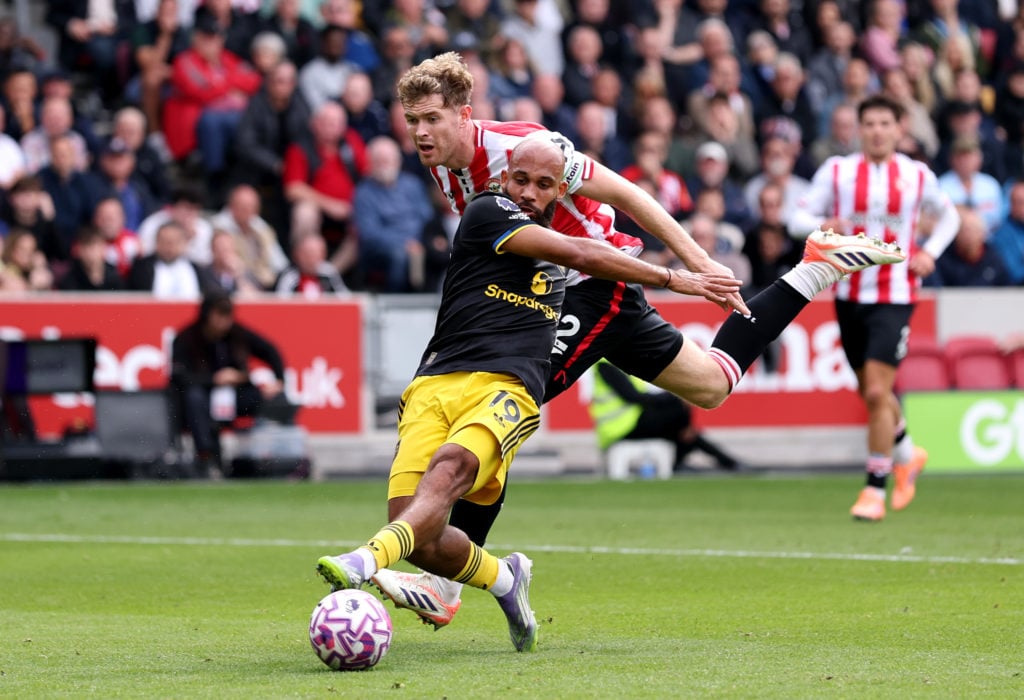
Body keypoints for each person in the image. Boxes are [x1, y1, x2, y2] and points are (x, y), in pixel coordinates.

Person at [359, 53, 905, 629]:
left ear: (464, 115)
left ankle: (445, 581)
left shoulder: (521, 148)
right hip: (565, 293)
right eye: (412, 120)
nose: (420, 132)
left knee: (506, 396)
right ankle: (816, 268)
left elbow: (629, 195)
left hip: (592, 287)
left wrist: (698, 263)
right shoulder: (446, 166)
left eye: (432, 119)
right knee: (712, 384)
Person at [313, 135, 745, 653]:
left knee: (450, 470)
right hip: (435, 382)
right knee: (421, 539)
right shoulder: (488, 210)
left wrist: (682, 268)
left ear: (560, 191)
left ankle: (364, 559)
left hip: (507, 389)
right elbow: (582, 250)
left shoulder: (567, 265)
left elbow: (605, 232)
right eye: (520, 180)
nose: (528, 193)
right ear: (503, 178)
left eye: (543, 185)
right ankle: (503, 578)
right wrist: (675, 277)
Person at [788, 94, 961, 522]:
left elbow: (951, 217)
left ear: (899, 129)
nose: (878, 131)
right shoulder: (838, 172)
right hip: (849, 294)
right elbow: (796, 219)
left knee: (877, 393)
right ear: (859, 129)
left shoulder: (916, 175)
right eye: (870, 124)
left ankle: (874, 489)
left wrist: (931, 252)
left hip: (896, 295)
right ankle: (908, 452)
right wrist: (823, 226)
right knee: (872, 392)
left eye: (886, 123)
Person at [170, 291, 285, 475]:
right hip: (200, 399)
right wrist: (214, 379)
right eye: (219, 316)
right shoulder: (187, 338)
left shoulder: (237, 334)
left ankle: (268, 460)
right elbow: (179, 377)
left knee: (267, 397)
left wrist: (279, 380)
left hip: (235, 395)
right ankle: (206, 458)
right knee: (194, 398)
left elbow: (270, 350)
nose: (223, 322)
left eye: (227, 316)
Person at [588, 358, 740, 472]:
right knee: (679, 412)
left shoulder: (620, 361)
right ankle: (724, 462)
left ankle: (726, 462)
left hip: (630, 422)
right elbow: (633, 396)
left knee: (681, 423)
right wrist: (673, 397)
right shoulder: (605, 364)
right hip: (619, 429)